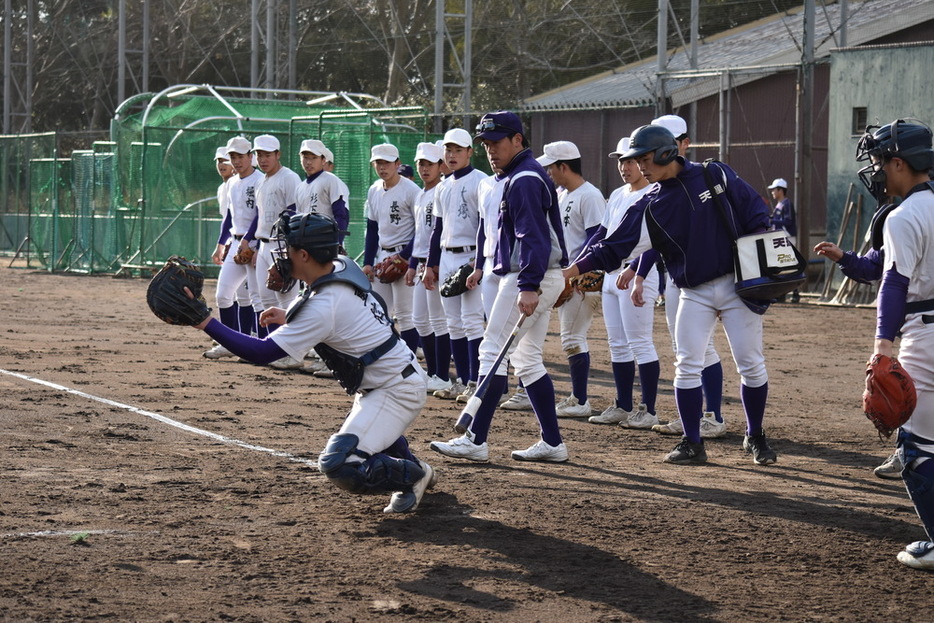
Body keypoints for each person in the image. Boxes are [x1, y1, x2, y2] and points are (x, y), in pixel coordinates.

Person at [192, 212, 435, 513]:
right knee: (368, 432)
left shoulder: (323, 306)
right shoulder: (344, 265)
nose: (283, 254)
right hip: (391, 378)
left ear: (304, 254)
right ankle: (408, 463)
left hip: (394, 390)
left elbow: (263, 352)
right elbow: (329, 307)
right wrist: (289, 315)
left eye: (289, 248)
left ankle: (415, 476)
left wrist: (205, 322)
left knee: (339, 463)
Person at [564, 123, 775, 466]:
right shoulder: (652, 202)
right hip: (694, 291)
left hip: (737, 286)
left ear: (666, 152)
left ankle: (755, 435)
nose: (640, 166)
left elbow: (754, 211)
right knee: (687, 365)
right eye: (637, 159)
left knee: (751, 364)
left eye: (644, 158)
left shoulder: (713, 174)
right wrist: (573, 270)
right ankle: (692, 442)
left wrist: (761, 263)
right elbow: (614, 246)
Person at [429, 110, 570, 463]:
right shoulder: (518, 175)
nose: (490, 149)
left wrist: (528, 285)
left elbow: (534, 239)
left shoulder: (524, 179)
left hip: (528, 274)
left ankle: (475, 439)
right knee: (528, 360)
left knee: (492, 350)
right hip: (536, 275)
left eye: (497, 142)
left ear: (518, 140)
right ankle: (552, 442)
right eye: (486, 143)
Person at [854, 119, 934, 569]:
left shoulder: (904, 216)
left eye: (882, 162)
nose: (878, 171)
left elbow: (894, 284)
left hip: (926, 334)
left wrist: (883, 346)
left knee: (917, 449)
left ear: (900, 163)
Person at [646, 115, 727, 439]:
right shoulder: (659, 188)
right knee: (685, 351)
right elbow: (657, 237)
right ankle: (693, 417)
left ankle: (714, 416)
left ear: (684, 144)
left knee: (704, 350)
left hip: (710, 279)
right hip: (677, 277)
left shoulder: (705, 177)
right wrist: (639, 271)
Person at [584, 136, 663, 429]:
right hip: (610, 276)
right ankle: (623, 404)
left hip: (639, 275)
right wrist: (578, 264)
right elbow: (601, 235)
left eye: (630, 160)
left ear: (644, 161)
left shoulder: (656, 192)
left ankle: (649, 409)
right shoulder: (617, 194)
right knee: (617, 344)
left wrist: (635, 271)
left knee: (640, 342)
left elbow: (656, 242)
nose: (624, 166)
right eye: (621, 160)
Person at [813, 237, 902, 478]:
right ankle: (908, 450)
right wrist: (843, 257)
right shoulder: (898, 218)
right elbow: (875, 267)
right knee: (912, 388)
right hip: (918, 325)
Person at [536, 140, 605, 417]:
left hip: (580, 279)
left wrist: (577, 273)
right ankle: (577, 398)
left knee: (573, 338)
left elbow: (596, 239)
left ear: (564, 166)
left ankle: (580, 400)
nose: (548, 172)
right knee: (569, 338)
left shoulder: (589, 195)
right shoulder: (563, 195)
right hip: (564, 276)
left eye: (551, 167)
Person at [423, 128, 488, 402]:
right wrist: (430, 265)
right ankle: (462, 380)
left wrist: (480, 262)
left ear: (470, 152)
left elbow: (486, 226)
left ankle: (475, 381)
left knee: (473, 322)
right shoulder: (443, 186)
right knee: (453, 323)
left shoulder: (481, 181)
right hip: (447, 255)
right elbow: (437, 229)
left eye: (458, 150)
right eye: (448, 150)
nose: (452, 155)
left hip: (471, 256)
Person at [204, 136, 264, 359]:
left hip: (256, 243)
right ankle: (230, 343)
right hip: (236, 242)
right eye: (233, 157)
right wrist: (220, 244)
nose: (236, 161)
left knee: (257, 298)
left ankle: (260, 345)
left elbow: (260, 215)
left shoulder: (260, 180)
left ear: (251, 157)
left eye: (240, 156)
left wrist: (249, 241)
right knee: (223, 295)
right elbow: (228, 217)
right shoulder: (231, 183)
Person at [362, 143, 421, 353]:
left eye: (386, 162)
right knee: (378, 311)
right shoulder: (374, 189)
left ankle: (410, 360)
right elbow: (372, 227)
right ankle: (385, 359)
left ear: (397, 164)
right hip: (383, 254)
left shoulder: (412, 190)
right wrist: (368, 263)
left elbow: (421, 230)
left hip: (407, 255)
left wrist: (406, 257)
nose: (382, 167)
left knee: (406, 315)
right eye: (378, 162)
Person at [251, 135, 303, 369]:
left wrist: (290, 249)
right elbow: (259, 216)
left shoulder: (289, 178)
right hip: (263, 244)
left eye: (267, 154)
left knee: (287, 299)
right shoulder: (261, 180)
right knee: (266, 298)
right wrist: (250, 242)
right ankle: (274, 349)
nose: (263, 159)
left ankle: (293, 352)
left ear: (278, 154)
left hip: (281, 244)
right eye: (259, 154)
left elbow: (296, 210)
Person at [406, 141, 453, 394]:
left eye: (430, 164)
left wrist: (432, 265)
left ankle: (442, 375)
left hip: (437, 262)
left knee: (439, 321)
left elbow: (438, 234)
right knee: (419, 320)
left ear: (440, 166)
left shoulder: (442, 190)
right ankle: (433, 372)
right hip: (422, 261)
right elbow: (420, 235)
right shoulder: (421, 194)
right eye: (421, 163)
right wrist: (413, 264)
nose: (424, 169)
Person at [293, 139, 350, 245]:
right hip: (306, 244)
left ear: (323, 160)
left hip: (325, 243)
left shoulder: (330, 180)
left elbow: (341, 214)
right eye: (305, 157)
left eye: (314, 158)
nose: (309, 162)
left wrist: (337, 243)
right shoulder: (300, 187)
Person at [768, 177, 800, 303]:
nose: (772, 192)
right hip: (781, 237)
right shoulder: (780, 204)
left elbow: (788, 221)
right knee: (782, 265)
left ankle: (795, 293)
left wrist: (771, 220)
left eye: (774, 189)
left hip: (788, 237)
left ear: (780, 190)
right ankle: (782, 293)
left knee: (790, 264)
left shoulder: (787, 204)